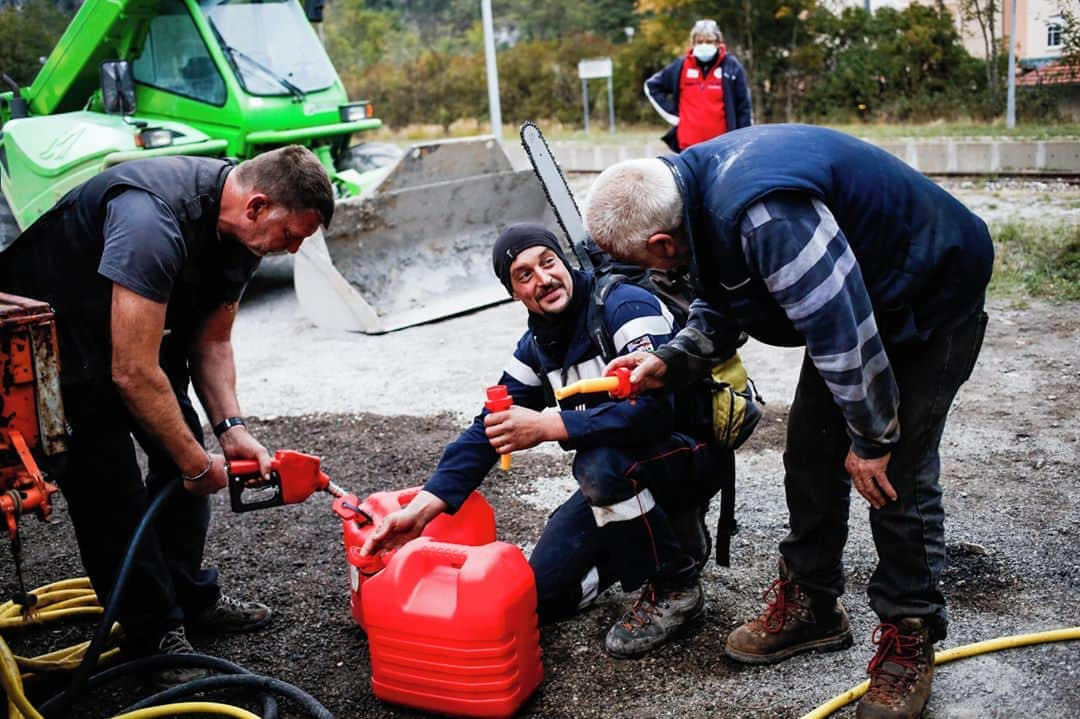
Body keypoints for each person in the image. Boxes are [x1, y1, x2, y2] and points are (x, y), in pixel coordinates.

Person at [582, 124, 992, 719]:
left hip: (931, 299)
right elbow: (722, 300)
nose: (643, 275)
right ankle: (813, 607)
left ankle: (911, 636)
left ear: (663, 244)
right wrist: (667, 362)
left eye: (640, 262)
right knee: (809, 455)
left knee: (892, 478)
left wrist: (873, 440)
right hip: (862, 302)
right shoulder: (689, 193)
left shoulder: (769, 217)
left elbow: (842, 332)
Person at [0, 145, 334, 685]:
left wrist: (231, 430)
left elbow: (213, 342)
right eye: (291, 235)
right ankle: (151, 635)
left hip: (136, 348)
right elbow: (130, 372)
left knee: (185, 457)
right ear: (256, 205)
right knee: (112, 488)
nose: (292, 249)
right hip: (56, 355)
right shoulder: (150, 218)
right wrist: (197, 464)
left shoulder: (243, 238)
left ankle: (191, 599)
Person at [359, 223, 735, 658]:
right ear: (513, 293)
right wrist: (420, 511)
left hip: (690, 451)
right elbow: (488, 429)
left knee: (597, 464)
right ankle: (663, 541)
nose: (544, 279)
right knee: (544, 596)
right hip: (623, 471)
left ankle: (676, 587)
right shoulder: (536, 345)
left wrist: (547, 426)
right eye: (524, 275)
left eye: (548, 262)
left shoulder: (624, 304)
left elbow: (655, 414)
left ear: (564, 261)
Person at [644, 19, 752, 153]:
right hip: (687, 149)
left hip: (723, 148)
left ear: (718, 43)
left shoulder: (731, 67)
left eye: (709, 41)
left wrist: (745, 142)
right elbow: (652, 86)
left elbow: (744, 108)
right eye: (699, 42)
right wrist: (674, 116)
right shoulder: (681, 66)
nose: (704, 45)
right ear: (693, 44)